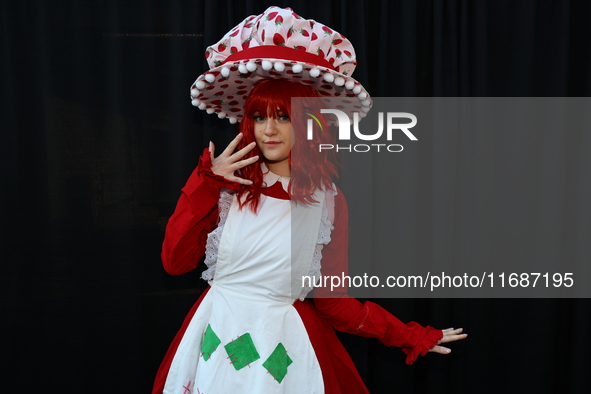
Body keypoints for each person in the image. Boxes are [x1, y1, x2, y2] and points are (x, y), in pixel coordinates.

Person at [153, 6, 466, 394]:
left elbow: (334, 302)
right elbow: (174, 262)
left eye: (283, 116)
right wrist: (206, 182)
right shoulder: (226, 185)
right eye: (259, 117)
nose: (269, 130)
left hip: (281, 353)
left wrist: (407, 335)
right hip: (214, 341)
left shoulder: (328, 202)